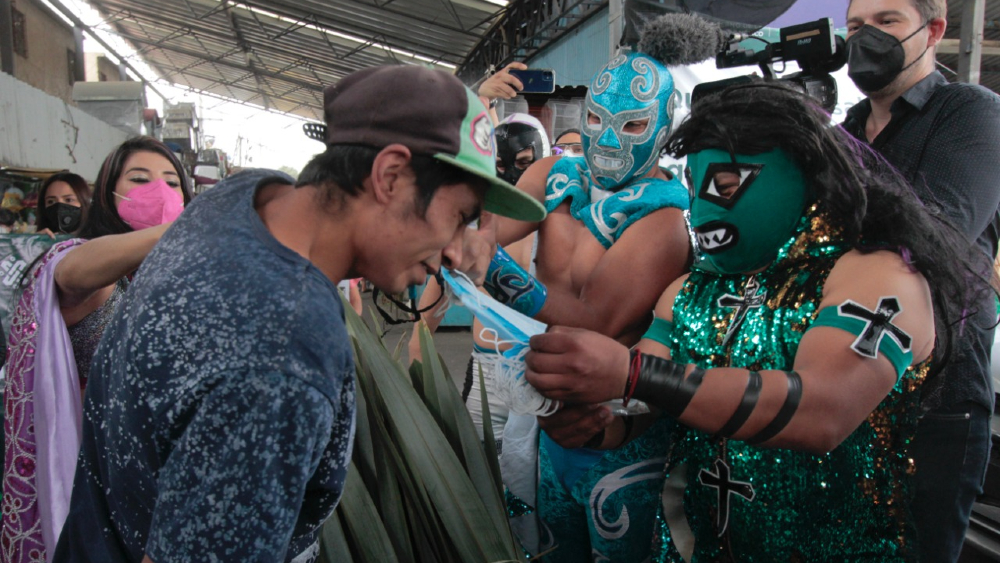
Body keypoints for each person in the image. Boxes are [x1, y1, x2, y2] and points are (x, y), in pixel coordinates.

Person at [52, 65, 544, 563]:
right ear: (390, 176)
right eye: (459, 217)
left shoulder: (240, 199)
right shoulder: (286, 348)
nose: (457, 253)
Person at [524, 81, 992, 562]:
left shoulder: (877, 273)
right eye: (695, 188)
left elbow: (824, 410)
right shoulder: (691, 289)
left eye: (726, 187)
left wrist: (631, 374)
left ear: (801, 176)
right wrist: (598, 421)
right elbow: (647, 402)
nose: (704, 208)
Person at [477, 48, 692, 561]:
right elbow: (484, 228)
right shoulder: (554, 176)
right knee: (551, 553)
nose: (610, 138)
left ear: (663, 127)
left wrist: (483, 260)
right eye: (597, 118)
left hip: (621, 426)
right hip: (549, 413)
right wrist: (476, 109)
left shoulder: (663, 219)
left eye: (633, 123)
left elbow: (598, 320)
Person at [841, 1, 1000, 560]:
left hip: (937, 400)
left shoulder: (971, 112)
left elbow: (941, 232)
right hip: (844, 387)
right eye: (856, 27)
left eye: (887, 22)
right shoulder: (844, 131)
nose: (867, 38)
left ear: (932, 31)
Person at [3, 137, 192, 563]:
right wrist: (177, 230)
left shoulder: (188, 279)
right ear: (108, 193)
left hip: (166, 473)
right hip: (93, 475)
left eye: (172, 182)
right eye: (139, 180)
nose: (159, 192)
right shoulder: (92, 267)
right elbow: (69, 275)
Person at [408, 112, 550, 452]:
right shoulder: (470, 236)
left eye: (525, 162)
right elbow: (421, 330)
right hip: (484, 378)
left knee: (531, 492)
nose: (514, 175)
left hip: (544, 379)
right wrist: (422, 403)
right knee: (483, 485)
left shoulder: (562, 230)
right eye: (500, 165)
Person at [35, 172, 90, 237]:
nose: (59, 207)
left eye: (68, 200)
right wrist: (33, 242)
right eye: (51, 201)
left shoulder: (98, 242)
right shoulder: (39, 241)